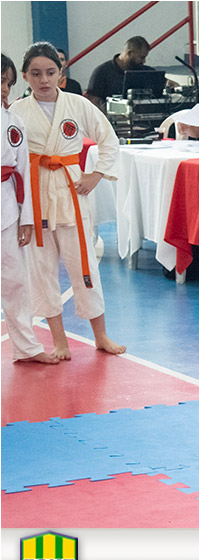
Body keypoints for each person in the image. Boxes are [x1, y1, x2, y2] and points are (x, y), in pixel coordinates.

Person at [11, 42, 125, 359]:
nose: (44, 80)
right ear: (25, 76)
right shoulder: (17, 112)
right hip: (35, 196)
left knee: (84, 265)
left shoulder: (77, 104)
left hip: (72, 191)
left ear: (61, 73)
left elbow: (109, 140)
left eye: (50, 72)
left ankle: (101, 336)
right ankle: (59, 341)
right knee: (42, 270)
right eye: (36, 74)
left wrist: (96, 174)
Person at [1, 54, 58, 364]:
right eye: (0, 81)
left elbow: (24, 170)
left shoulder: (14, 123)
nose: (4, 89)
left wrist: (27, 219)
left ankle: (26, 347)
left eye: (7, 82)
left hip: (7, 207)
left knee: (16, 281)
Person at [85, 36, 153, 110]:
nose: (144, 61)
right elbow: (93, 100)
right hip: (109, 115)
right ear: (129, 53)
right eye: (141, 57)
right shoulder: (102, 72)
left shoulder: (147, 72)